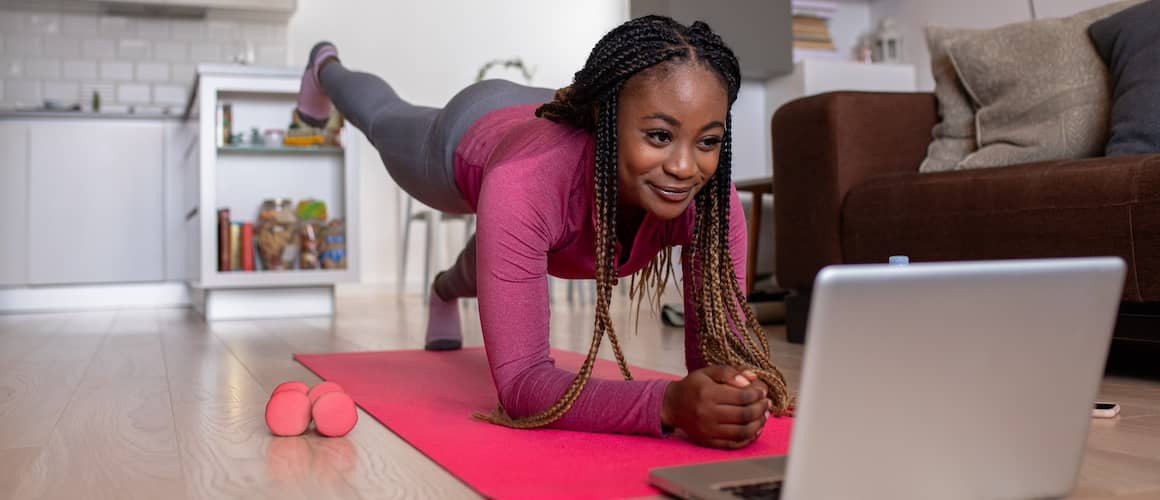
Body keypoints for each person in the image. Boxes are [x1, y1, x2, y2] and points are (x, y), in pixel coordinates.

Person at [295, 15, 792, 449]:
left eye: (707, 141)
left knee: (510, 242)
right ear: (605, 118)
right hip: (470, 134)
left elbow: (718, 358)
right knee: (385, 121)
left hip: (538, 183)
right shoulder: (525, 183)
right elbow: (522, 388)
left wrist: (734, 390)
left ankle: (444, 288)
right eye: (660, 136)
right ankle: (325, 68)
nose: (685, 167)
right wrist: (667, 404)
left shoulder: (713, 204)